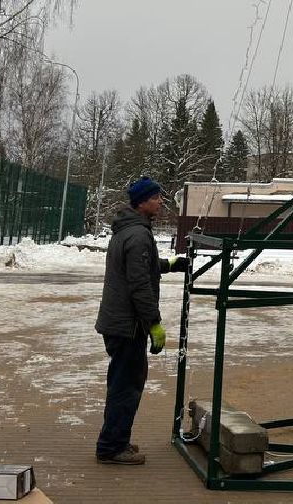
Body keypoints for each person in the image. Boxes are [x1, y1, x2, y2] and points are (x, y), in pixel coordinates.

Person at [93, 176, 187, 465]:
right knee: (126, 386)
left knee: (122, 383)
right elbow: (139, 285)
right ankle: (111, 448)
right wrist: (154, 324)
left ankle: (115, 440)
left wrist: (169, 264)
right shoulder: (137, 235)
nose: (161, 202)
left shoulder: (129, 230)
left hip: (119, 322)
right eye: (157, 197)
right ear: (143, 201)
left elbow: (142, 269)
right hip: (127, 325)